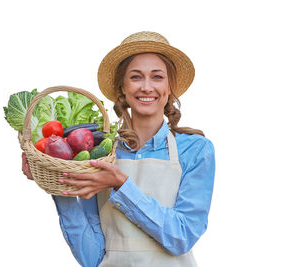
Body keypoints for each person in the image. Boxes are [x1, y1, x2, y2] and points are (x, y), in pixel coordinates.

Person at [22, 31, 215, 267]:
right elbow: (92, 258)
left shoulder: (195, 150)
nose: (146, 87)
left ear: (169, 86)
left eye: (157, 77)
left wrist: (121, 184)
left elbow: (181, 237)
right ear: (122, 87)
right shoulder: (103, 152)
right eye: (135, 77)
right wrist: (61, 182)